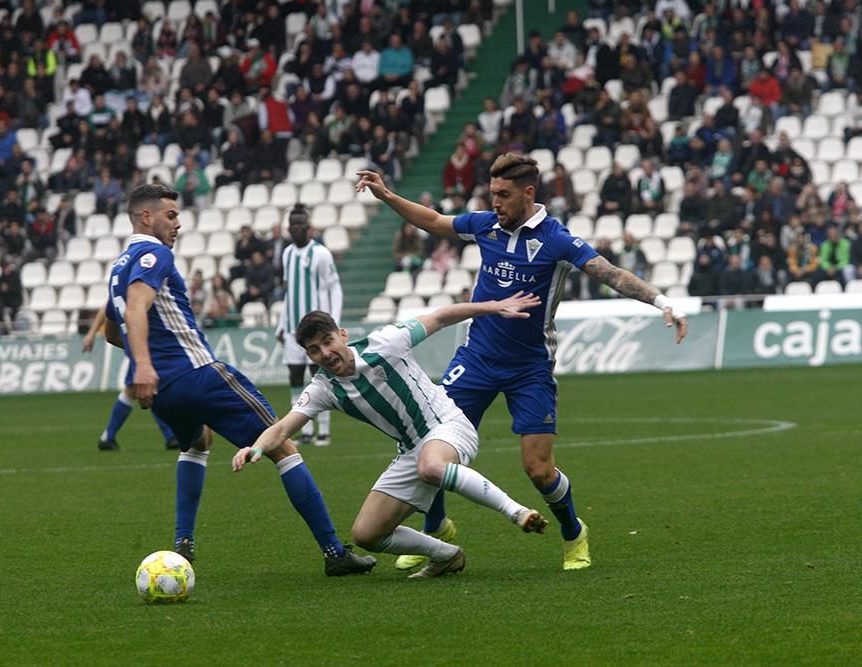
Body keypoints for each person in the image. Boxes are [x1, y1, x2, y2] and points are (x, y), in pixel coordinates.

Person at [355, 154, 687, 572]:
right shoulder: (485, 225)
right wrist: (388, 196)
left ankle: (572, 532)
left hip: (530, 368)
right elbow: (435, 221)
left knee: (538, 469)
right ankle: (436, 525)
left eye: (503, 195)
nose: (495, 202)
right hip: (475, 359)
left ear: (529, 193)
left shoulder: (557, 240)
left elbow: (611, 273)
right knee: (431, 446)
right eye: (492, 193)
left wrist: (661, 301)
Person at [104, 184, 374, 575]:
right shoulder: (154, 253)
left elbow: (114, 331)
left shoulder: (118, 266)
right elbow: (136, 309)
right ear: (146, 217)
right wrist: (144, 365)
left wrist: (146, 365)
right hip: (197, 375)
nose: (178, 224)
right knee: (282, 444)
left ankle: (184, 541)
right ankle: (334, 553)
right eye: (171, 216)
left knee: (198, 441)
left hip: (164, 394)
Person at [232, 297, 549, 578]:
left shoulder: (386, 342)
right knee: (367, 534)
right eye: (314, 350)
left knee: (431, 466)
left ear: (343, 334)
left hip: (448, 426)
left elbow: (439, 317)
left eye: (327, 341)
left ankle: (517, 512)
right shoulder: (323, 388)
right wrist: (256, 447)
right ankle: (446, 555)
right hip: (411, 451)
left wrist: (493, 307)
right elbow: (284, 427)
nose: (325, 353)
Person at [274, 204, 342, 446]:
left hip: (316, 330)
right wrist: (281, 325)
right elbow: (289, 292)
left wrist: (333, 324)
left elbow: (334, 288)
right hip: (293, 329)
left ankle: (323, 430)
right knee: (294, 377)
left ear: (309, 227)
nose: (296, 228)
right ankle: (303, 430)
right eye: (292, 224)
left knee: (319, 377)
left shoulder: (321, 254)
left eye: (301, 224)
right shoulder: (287, 253)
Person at [82, 305, 179, 451]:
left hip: (139, 339)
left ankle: (108, 437)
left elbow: (108, 307)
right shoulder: (135, 285)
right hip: (142, 340)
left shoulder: (120, 284)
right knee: (148, 385)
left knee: (133, 389)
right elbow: (107, 307)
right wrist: (91, 333)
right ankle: (171, 436)